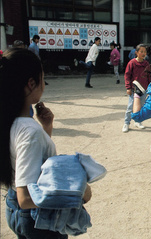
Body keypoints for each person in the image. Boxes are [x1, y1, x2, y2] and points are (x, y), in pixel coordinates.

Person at [0, 48, 92, 238]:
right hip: (36, 219)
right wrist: (77, 191)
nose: (44, 84)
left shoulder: (10, 119)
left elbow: (25, 159)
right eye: (42, 77)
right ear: (31, 83)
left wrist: (46, 129)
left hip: (14, 208)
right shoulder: (29, 131)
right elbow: (25, 198)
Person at [122, 44, 151, 133]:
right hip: (134, 90)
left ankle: (138, 121)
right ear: (136, 52)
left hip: (144, 89)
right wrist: (128, 87)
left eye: (145, 52)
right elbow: (127, 75)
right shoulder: (132, 63)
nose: (143, 53)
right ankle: (126, 123)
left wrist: (149, 88)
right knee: (130, 107)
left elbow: (149, 76)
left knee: (141, 107)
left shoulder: (146, 64)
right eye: (141, 51)